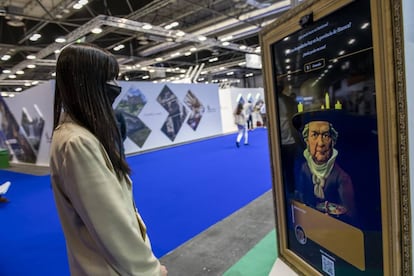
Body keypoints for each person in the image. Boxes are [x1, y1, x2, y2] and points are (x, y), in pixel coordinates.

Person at [49, 43, 167, 276]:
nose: (116, 86)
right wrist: (151, 271)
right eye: (109, 78)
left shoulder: (77, 135)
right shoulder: (77, 142)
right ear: (87, 84)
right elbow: (112, 226)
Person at [292, 111, 356, 223]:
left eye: (326, 136)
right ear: (307, 141)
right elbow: (300, 199)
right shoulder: (305, 169)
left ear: (333, 142)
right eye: (315, 135)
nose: (321, 143)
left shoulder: (341, 178)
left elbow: (350, 216)